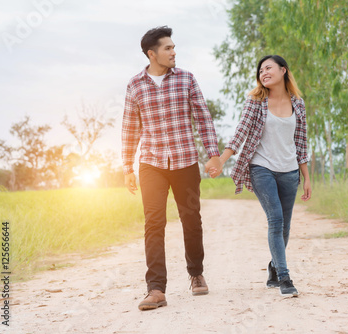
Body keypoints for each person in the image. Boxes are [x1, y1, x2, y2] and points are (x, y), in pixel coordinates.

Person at [121, 26, 221, 311]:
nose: (174, 52)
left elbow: (203, 117)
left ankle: (196, 273)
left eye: (174, 47)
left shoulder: (187, 79)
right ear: (152, 54)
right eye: (168, 48)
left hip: (185, 160)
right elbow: (130, 128)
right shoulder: (135, 84)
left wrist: (212, 154)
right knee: (154, 223)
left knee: (191, 218)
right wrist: (128, 166)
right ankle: (155, 289)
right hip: (151, 163)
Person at [212, 55, 312, 297]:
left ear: (283, 70)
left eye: (268, 68)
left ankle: (274, 266)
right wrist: (220, 160)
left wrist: (306, 177)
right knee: (275, 219)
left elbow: (301, 142)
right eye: (260, 70)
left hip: (289, 170)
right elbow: (241, 133)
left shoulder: (297, 103)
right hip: (261, 167)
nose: (263, 73)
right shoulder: (255, 101)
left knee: (285, 227)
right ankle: (285, 278)